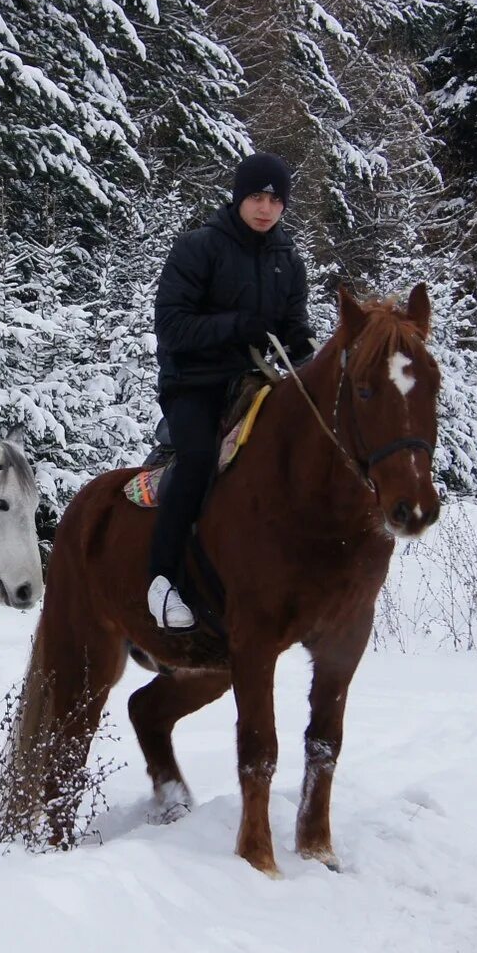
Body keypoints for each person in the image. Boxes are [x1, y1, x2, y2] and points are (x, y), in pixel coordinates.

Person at [148, 152, 316, 631]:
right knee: (200, 459)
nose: (266, 208)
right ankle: (162, 581)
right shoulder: (198, 248)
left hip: (258, 383)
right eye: (257, 197)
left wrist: (312, 353)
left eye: (276, 200)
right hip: (194, 384)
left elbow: (295, 332)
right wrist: (238, 325)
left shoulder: (289, 261)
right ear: (239, 197)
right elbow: (172, 327)